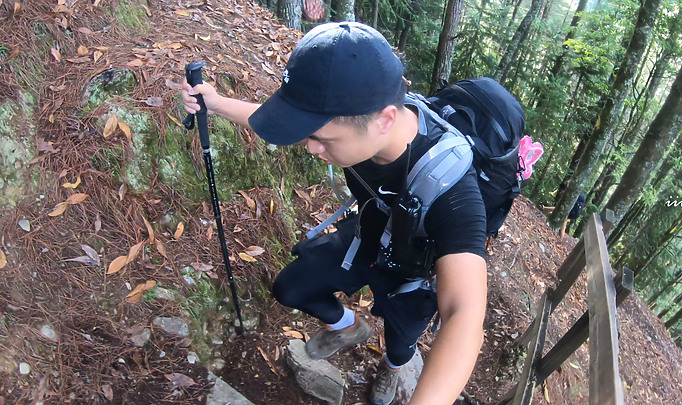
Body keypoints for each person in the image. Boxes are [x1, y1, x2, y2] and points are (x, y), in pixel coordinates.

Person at [181, 22, 487, 405]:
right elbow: (287, 123)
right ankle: (349, 327)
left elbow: (464, 314)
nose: (310, 148)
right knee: (291, 287)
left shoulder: (453, 191)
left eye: (322, 139)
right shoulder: (354, 124)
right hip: (371, 235)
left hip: (415, 273)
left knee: (399, 344)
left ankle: (391, 371)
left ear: (385, 121)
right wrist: (216, 103)